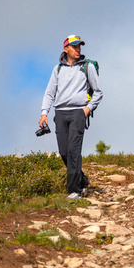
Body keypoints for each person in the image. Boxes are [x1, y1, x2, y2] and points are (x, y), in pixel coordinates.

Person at [39, 35, 103, 199]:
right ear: (65, 48)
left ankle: (75, 191)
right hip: (60, 113)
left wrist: (87, 109)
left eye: (79, 46)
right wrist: (44, 113)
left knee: (74, 151)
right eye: (74, 46)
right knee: (64, 152)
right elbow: (49, 93)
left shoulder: (87, 67)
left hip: (78, 113)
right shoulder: (57, 69)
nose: (77, 49)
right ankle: (81, 180)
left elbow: (98, 92)